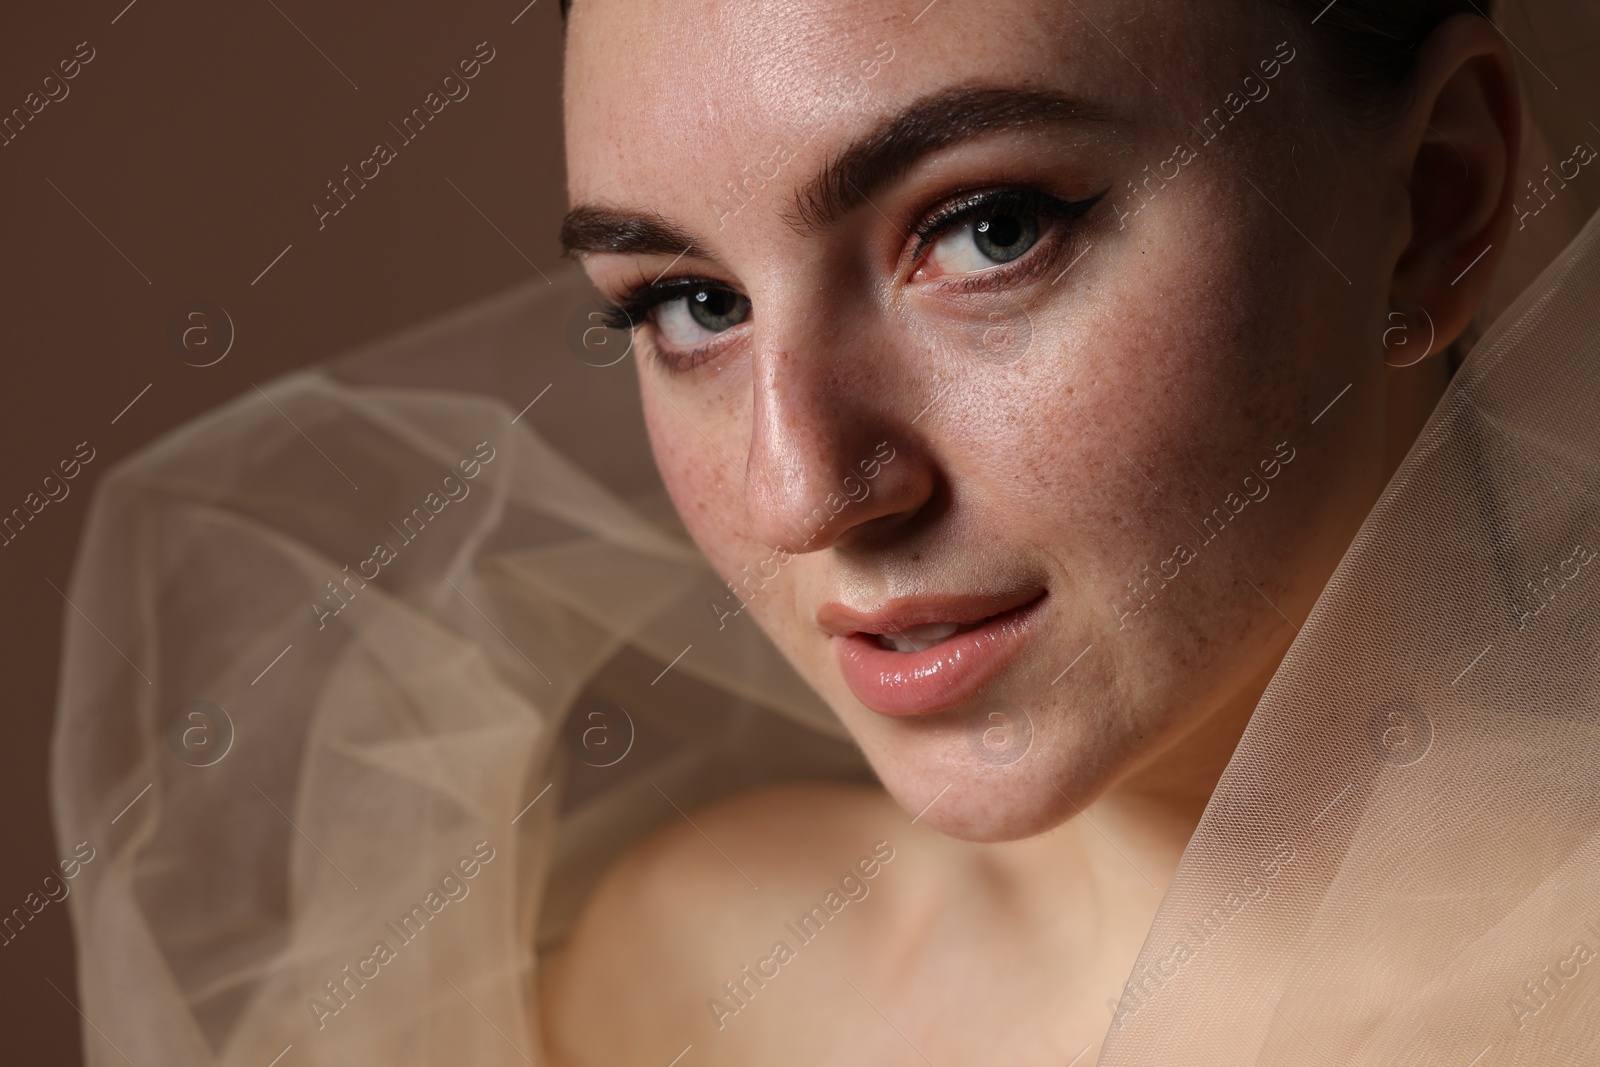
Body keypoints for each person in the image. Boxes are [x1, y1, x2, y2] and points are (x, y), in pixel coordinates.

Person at [542, 0, 1533, 1062]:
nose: (797, 495)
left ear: (1432, 201)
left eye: (988, 229)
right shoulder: (683, 977)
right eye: (692, 304)